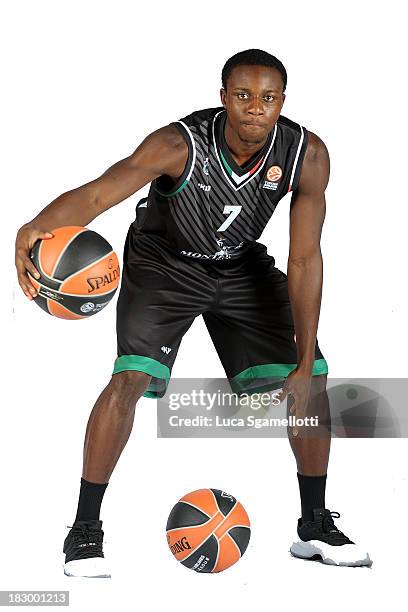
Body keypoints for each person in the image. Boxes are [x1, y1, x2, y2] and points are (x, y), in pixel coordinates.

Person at [15, 48, 371, 576]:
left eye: (267, 98)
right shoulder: (178, 143)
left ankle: (314, 525)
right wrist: (36, 224)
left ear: (282, 103)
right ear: (223, 96)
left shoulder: (307, 155)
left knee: (313, 378)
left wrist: (302, 358)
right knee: (131, 379)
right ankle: (85, 529)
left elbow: (304, 258)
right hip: (163, 264)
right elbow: (99, 194)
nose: (255, 107)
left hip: (239, 266)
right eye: (243, 95)